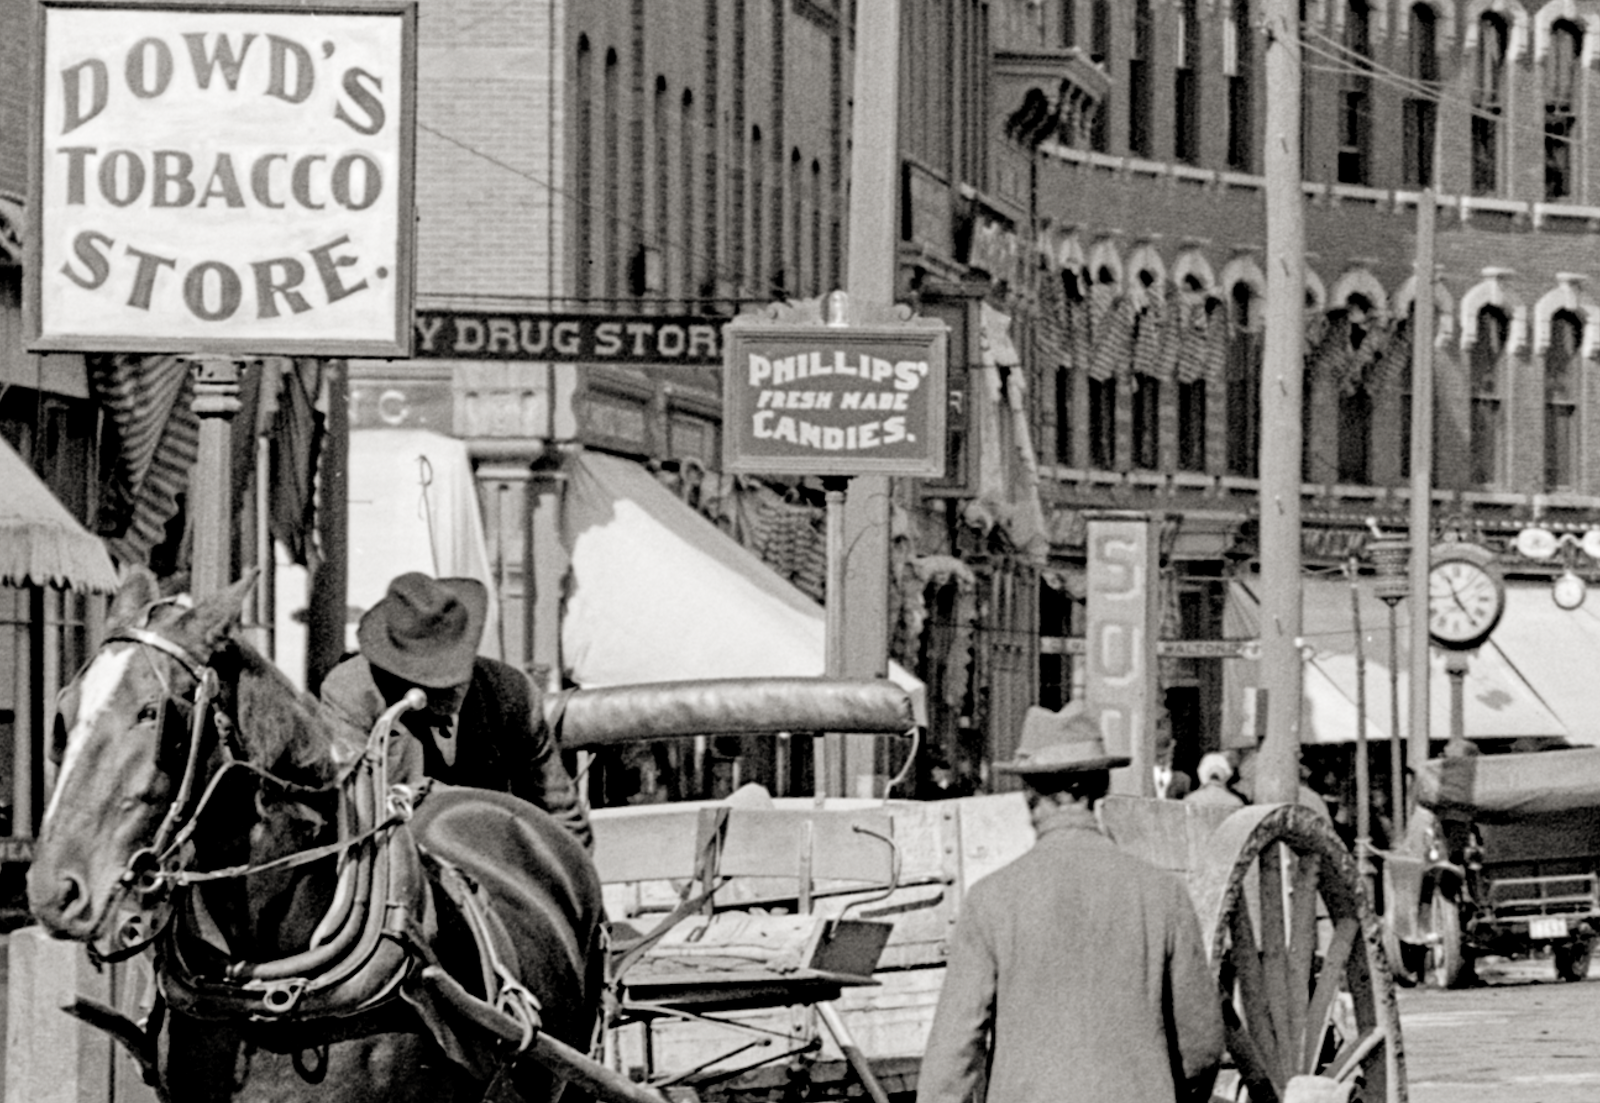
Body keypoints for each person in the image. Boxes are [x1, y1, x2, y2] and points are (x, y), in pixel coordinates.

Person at [915, 703, 1224, 1103]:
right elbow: (1200, 1046)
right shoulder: (1162, 893)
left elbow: (953, 1054)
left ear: (1028, 793)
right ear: (1102, 787)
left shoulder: (991, 900)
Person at [319, 572, 593, 850]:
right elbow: (356, 809)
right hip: (395, 860)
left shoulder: (512, 693)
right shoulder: (350, 693)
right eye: (433, 679)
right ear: (398, 670)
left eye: (455, 671)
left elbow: (563, 819)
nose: (450, 691)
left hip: (492, 862)